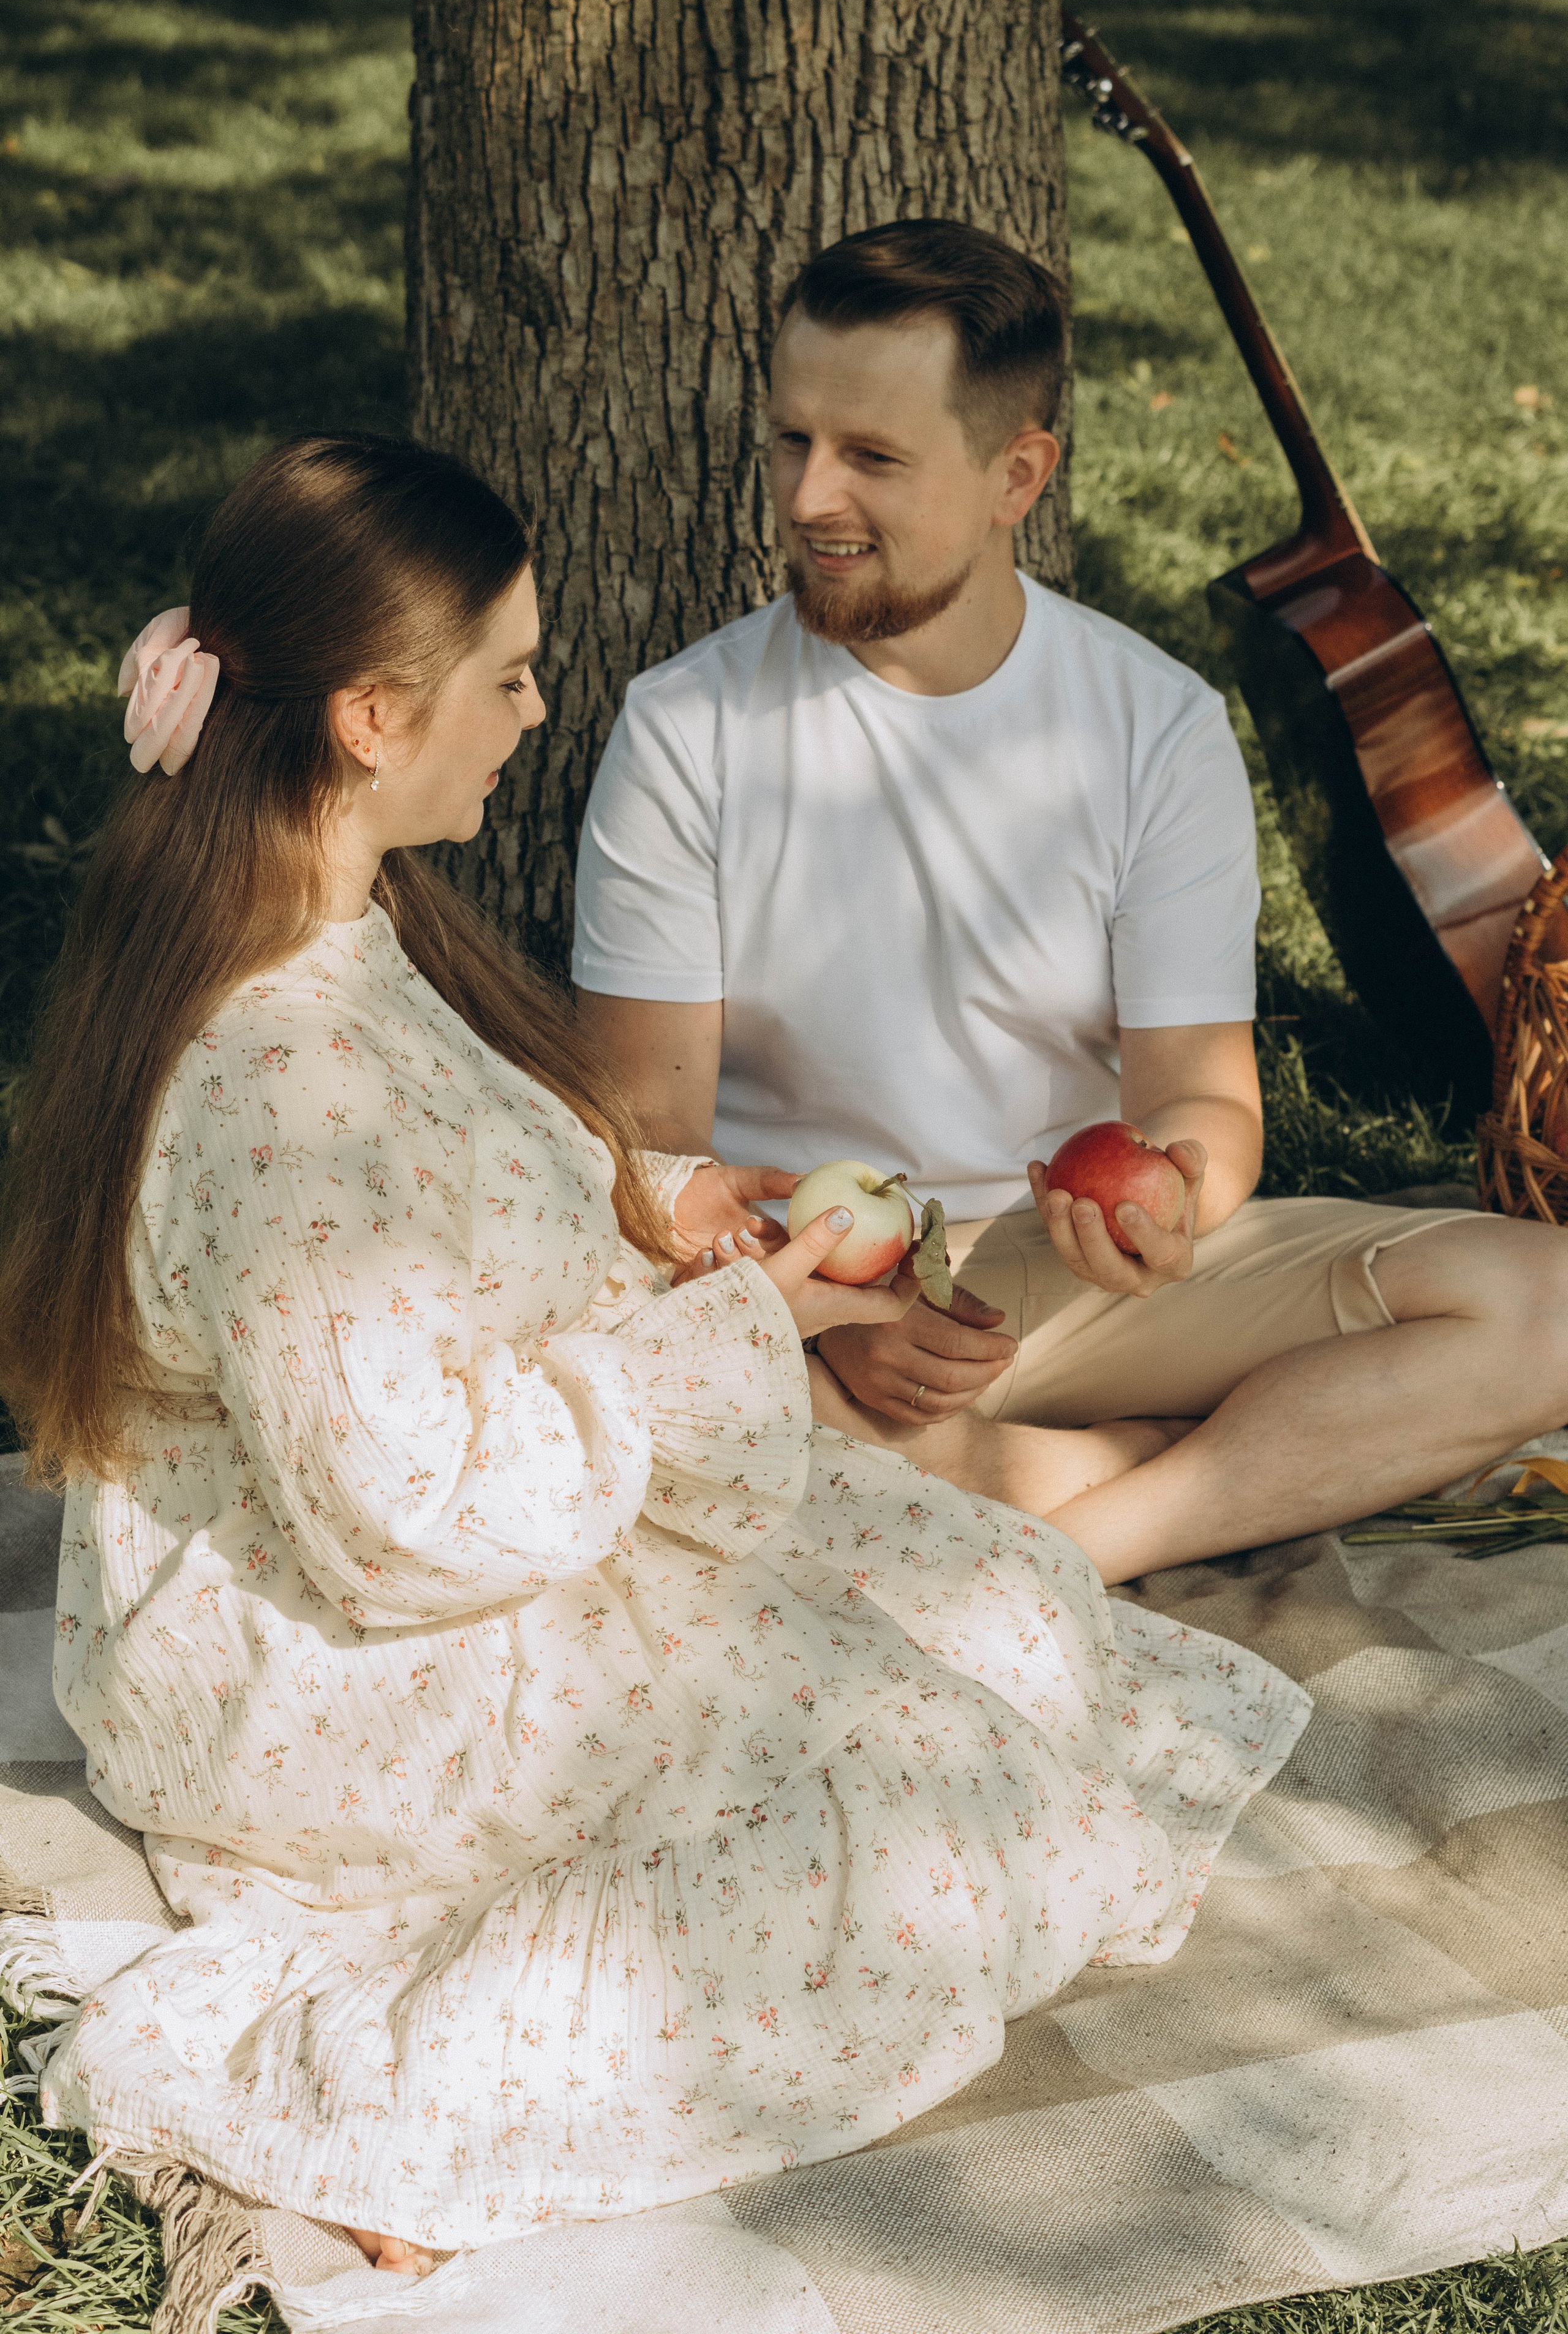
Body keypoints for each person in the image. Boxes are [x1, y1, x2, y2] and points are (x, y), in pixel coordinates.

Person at [0, 434, 1308, 2275]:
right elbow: (402, 1520)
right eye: (511, 674)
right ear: (371, 719)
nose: (539, 709)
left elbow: (475, 1169)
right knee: (923, 1819)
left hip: (483, 1532)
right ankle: (395, 2105)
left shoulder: (341, 918)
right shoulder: (277, 1075)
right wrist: (738, 1337)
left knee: (1001, 1608)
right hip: (336, 1660)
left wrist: (673, 1205)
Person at [571, 217, 1568, 1583]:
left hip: (1056, 1268)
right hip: (788, 1282)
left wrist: (1172, 1198)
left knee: (1547, 1307)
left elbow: (1197, 1099)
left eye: (869, 456)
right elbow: (649, 1147)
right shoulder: (686, 725)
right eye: (789, 440)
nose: (806, 499)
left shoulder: (1150, 725)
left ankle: (1080, 1537)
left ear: (1015, 475)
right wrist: (825, 1318)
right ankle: (1134, 1461)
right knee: (640, 1400)